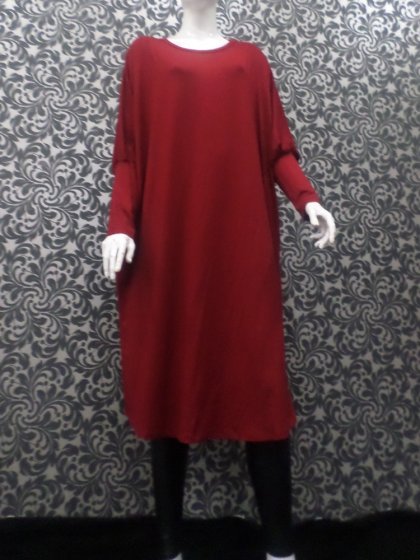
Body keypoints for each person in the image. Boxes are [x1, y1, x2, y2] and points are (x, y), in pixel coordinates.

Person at [102, 2, 336, 559]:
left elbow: (276, 149)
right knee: (167, 381)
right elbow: (128, 156)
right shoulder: (145, 57)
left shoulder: (250, 63)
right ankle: (170, 546)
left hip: (240, 253)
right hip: (166, 253)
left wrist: (308, 200)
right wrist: (120, 225)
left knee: (260, 387)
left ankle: (279, 545)